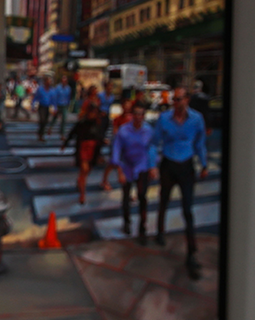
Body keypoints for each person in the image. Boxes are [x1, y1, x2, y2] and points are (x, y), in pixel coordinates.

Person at [151, 87, 208, 279]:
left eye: (179, 99)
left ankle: (191, 252)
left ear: (187, 100)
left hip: (186, 165)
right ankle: (160, 231)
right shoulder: (164, 118)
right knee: (163, 200)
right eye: (174, 100)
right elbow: (155, 142)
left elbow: (200, 143)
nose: (176, 103)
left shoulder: (196, 119)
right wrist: (152, 163)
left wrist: (204, 164)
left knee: (187, 208)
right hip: (168, 163)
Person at [111, 100, 157, 242]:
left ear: (144, 116)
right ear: (132, 115)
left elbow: (151, 148)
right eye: (135, 114)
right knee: (126, 196)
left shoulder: (149, 130)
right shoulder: (124, 131)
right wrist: (119, 171)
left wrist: (152, 166)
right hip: (127, 166)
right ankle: (127, 222)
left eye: (141, 114)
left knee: (142, 195)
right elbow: (117, 150)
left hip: (142, 166)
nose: (138, 117)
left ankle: (142, 225)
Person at [61, 97, 107, 205]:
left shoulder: (98, 124)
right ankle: (82, 194)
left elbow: (99, 137)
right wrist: (65, 144)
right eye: (91, 112)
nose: (93, 114)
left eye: (95, 112)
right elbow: (72, 133)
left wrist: (102, 144)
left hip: (93, 150)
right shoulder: (82, 123)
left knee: (86, 171)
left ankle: (80, 181)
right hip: (83, 149)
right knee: (84, 169)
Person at [33, 74, 55, 141]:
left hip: (47, 107)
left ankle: (41, 132)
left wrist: (54, 108)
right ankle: (41, 134)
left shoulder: (51, 91)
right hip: (41, 106)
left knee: (45, 121)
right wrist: (33, 106)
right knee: (42, 120)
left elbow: (53, 100)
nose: (49, 83)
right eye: (48, 81)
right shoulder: (40, 89)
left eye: (50, 82)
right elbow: (35, 98)